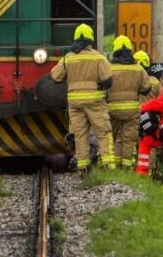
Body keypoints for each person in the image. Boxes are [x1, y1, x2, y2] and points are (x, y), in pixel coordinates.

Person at [49, 24, 113, 173]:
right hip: (95, 102)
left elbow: (55, 77)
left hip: (75, 103)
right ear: (90, 39)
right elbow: (108, 81)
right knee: (103, 132)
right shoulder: (98, 57)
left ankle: (82, 167)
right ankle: (108, 166)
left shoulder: (68, 58)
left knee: (80, 135)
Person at [106, 35, 152, 169]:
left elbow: (102, 86)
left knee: (111, 138)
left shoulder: (109, 68)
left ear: (115, 50)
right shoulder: (138, 68)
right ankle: (126, 168)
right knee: (128, 140)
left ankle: (111, 166)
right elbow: (146, 88)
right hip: (132, 111)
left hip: (112, 109)